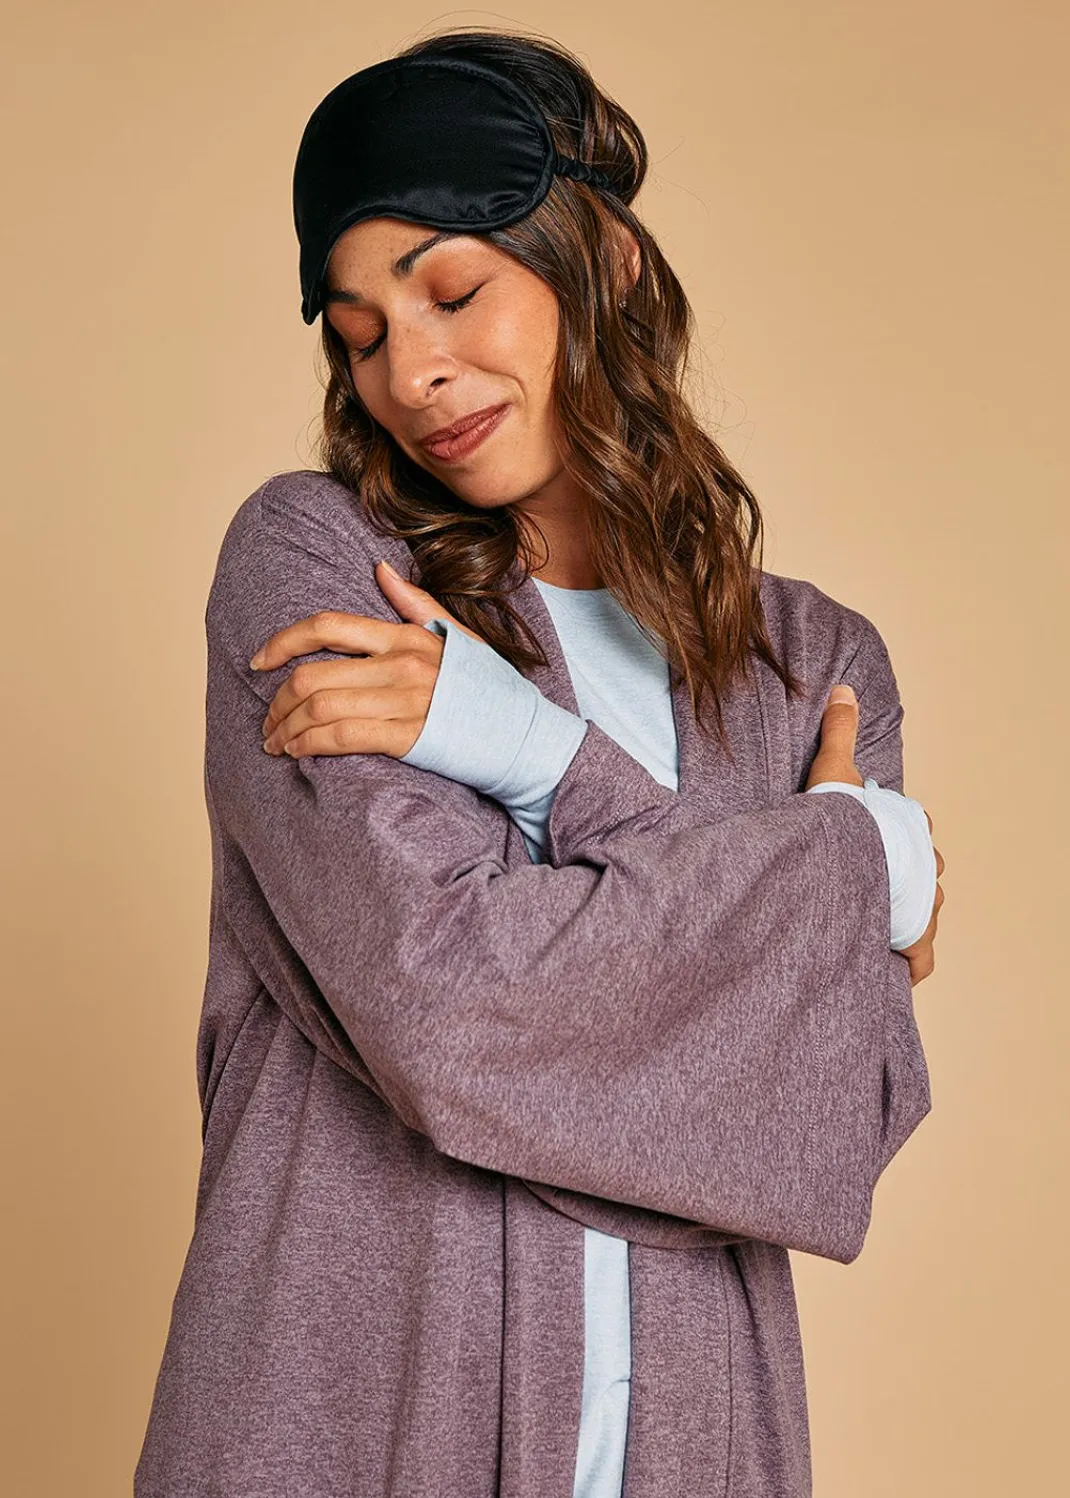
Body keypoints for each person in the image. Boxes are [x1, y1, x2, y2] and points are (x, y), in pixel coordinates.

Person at [134, 28, 944, 1498]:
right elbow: (448, 1015)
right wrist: (842, 868)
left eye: (452, 291)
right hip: (335, 1444)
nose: (412, 372)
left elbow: (842, 1112)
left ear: (607, 265)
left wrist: (516, 745)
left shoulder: (811, 668)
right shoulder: (323, 571)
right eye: (360, 333)